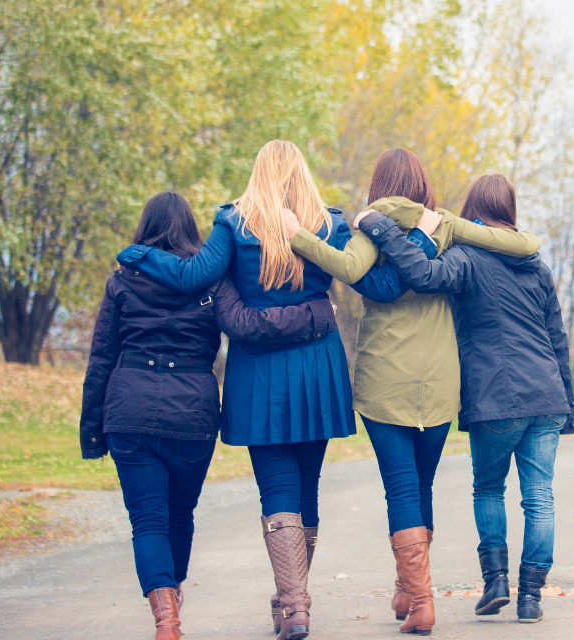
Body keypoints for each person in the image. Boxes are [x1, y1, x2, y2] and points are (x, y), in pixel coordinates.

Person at [114, 140, 416, 639]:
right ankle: (292, 603)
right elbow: (365, 277)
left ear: (257, 173)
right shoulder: (332, 224)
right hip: (318, 366)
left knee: (277, 489)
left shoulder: (234, 223)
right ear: (302, 174)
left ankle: (295, 605)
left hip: (260, 374)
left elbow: (191, 276)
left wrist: (138, 253)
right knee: (307, 487)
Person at [281, 149, 542, 636]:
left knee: (400, 487)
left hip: (385, 378)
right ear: (423, 186)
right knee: (421, 486)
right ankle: (410, 588)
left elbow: (346, 268)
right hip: (442, 378)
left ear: (379, 185)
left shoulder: (367, 229)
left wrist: (292, 232)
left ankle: (420, 600)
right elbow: (522, 245)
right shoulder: (445, 226)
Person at [80, 191, 337, 640]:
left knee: (147, 520)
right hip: (192, 414)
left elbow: (101, 359)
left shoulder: (122, 281)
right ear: (192, 231)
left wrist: (92, 432)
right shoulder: (211, 282)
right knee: (179, 514)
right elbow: (248, 325)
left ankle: (168, 620)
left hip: (129, 411)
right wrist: (316, 313)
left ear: (144, 228)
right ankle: (175, 604)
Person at [354, 174, 574, 624]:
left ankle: (495, 582)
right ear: (510, 213)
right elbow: (557, 338)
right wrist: (566, 405)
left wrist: (379, 228)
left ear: (473, 213)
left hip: (496, 397)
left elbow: (419, 273)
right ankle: (531, 596)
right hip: (548, 395)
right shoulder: (536, 265)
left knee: (489, 488)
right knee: (541, 498)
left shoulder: (466, 258)